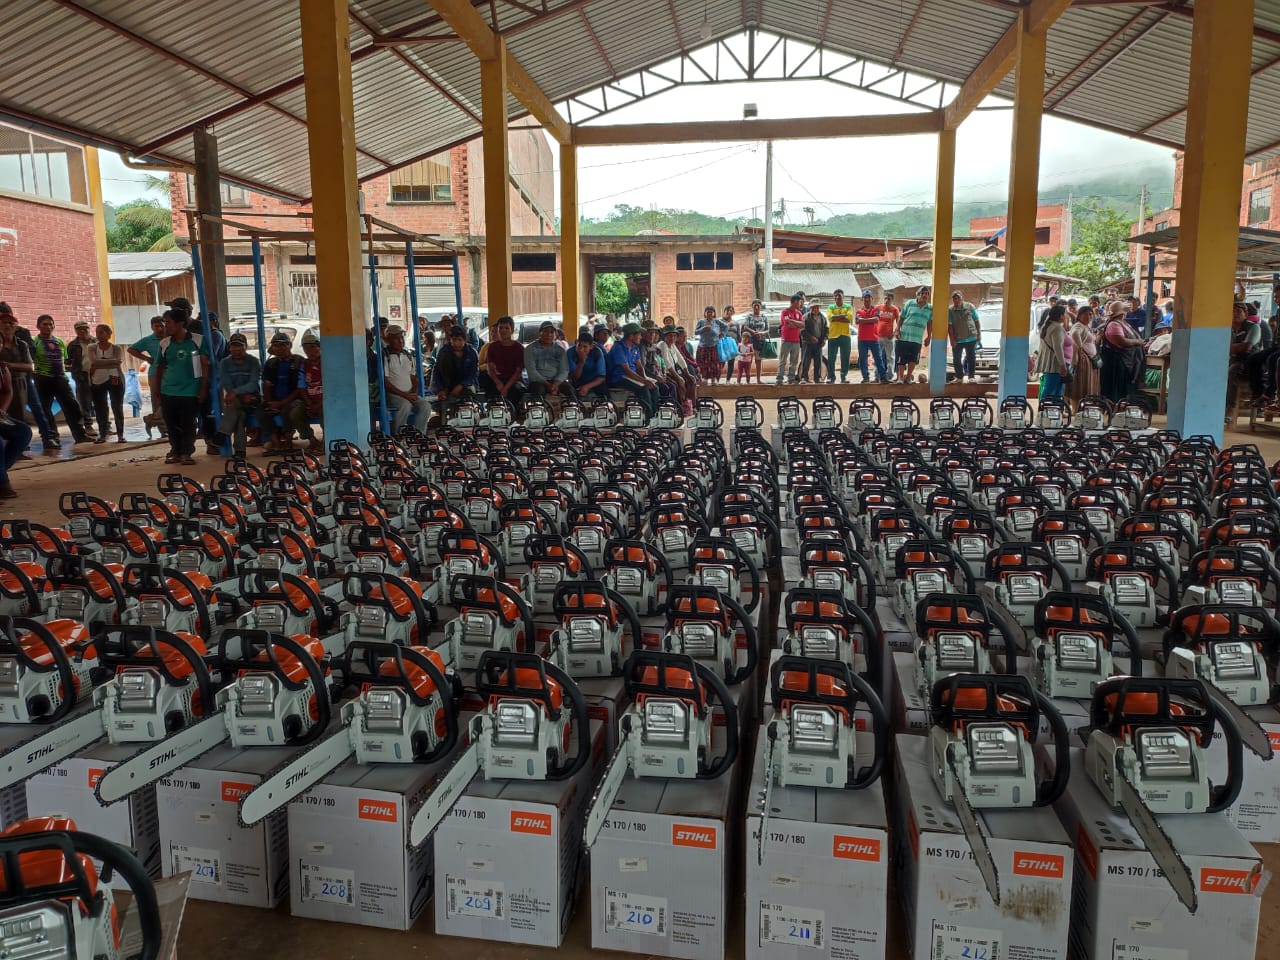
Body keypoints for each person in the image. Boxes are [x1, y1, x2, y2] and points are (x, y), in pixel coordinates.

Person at [154, 307, 209, 465]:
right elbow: (159, 367)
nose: (166, 326)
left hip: (190, 391)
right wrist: (157, 389)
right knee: (171, 424)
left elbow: (204, 366)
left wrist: (202, 388)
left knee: (188, 423)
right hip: (168, 390)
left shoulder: (198, 340)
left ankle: (186, 453)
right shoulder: (164, 343)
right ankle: (176, 451)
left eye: (169, 323)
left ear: (180, 324)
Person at [31, 315, 91, 445]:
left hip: (60, 379)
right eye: (44, 324)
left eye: (50, 324)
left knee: (73, 407)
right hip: (43, 379)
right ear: (38, 326)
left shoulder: (59, 341)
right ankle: (52, 438)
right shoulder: (34, 342)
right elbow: (30, 360)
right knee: (45, 410)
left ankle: (80, 435)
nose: (48, 327)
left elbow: (65, 360)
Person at [379, 324, 431, 434]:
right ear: (388, 340)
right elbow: (386, 382)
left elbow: (413, 377)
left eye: (401, 337)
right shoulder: (385, 356)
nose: (400, 341)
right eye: (396, 338)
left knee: (425, 406)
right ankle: (399, 436)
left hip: (408, 393)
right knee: (405, 405)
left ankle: (418, 435)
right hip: (394, 395)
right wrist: (404, 396)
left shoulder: (408, 355)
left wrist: (413, 393)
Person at [218, 332, 262, 457]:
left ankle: (223, 433)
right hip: (236, 400)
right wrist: (237, 395)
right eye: (233, 346)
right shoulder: (225, 363)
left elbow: (253, 384)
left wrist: (236, 393)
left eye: (239, 346)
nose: (236, 350)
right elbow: (227, 383)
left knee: (234, 405)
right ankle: (240, 451)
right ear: (229, 348)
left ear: (245, 347)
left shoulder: (253, 361)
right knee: (240, 415)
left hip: (252, 399)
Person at [85, 324, 127, 444]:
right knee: (100, 408)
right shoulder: (92, 347)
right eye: (97, 332)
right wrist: (111, 362)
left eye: (102, 332)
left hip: (114, 378)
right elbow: (94, 361)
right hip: (97, 380)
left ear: (109, 334)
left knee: (117, 406)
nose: (99, 335)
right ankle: (102, 434)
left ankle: (120, 435)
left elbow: (117, 363)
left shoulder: (116, 348)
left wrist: (100, 363)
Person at [129, 315, 168, 439]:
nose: (160, 328)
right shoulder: (148, 340)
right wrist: (146, 358)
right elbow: (131, 349)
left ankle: (152, 420)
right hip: (155, 373)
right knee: (157, 400)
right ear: (152, 327)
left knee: (170, 399)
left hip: (171, 372)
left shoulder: (170, 337)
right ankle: (163, 430)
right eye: (157, 326)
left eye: (162, 325)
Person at [429, 326, 480, 421]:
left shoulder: (472, 352)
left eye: (460, 340)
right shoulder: (444, 352)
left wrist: (461, 385)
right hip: (447, 386)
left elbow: (473, 375)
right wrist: (440, 389)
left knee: (468, 393)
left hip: (467, 385)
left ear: (465, 340)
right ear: (450, 339)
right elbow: (436, 372)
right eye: (454, 339)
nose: (456, 343)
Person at [607, 322, 658, 417]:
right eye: (639, 335)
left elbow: (639, 366)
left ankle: (655, 414)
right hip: (619, 378)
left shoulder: (635, 347)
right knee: (644, 389)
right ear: (631, 336)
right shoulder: (618, 347)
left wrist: (645, 378)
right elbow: (626, 370)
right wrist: (644, 381)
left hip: (631, 376)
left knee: (655, 387)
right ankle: (648, 417)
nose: (641, 337)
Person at [1098, 301, 1145, 404]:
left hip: (1125, 361)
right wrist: (1138, 341)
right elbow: (1121, 341)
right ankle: (1115, 409)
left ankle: (1122, 407)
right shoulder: (1114, 325)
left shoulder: (1123, 323)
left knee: (1124, 387)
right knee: (1116, 388)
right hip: (1117, 362)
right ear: (1122, 313)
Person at [0, 359, 32, 498]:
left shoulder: (2, 368)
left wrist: (2, 410)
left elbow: (8, 391)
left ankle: (0, 474)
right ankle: (2, 483)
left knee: (23, 432)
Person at [525, 321, 571, 402]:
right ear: (540, 333)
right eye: (545, 331)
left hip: (556, 381)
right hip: (538, 382)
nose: (549, 335)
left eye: (551, 332)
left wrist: (555, 384)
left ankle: (573, 413)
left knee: (570, 390)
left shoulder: (560, 349)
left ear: (555, 335)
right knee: (538, 391)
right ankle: (538, 414)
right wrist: (548, 385)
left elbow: (564, 370)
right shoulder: (530, 349)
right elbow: (531, 372)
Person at [895, 286, 931, 384]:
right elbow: (901, 318)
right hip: (904, 337)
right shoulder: (909, 303)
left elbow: (929, 323)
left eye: (926, 293)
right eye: (922, 293)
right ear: (917, 294)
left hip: (917, 339)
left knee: (913, 360)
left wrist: (929, 336)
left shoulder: (930, 308)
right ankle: (901, 378)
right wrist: (897, 330)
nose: (924, 295)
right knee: (901, 359)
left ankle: (908, 378)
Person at [659, 325, 699, 412]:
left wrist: (688, 374)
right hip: (666, 373)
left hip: (675, 370)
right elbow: (667, 362)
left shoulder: (673, 345)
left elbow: (681, 359)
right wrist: (678, 377)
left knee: (691, 380)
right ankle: (681, 406)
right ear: (664, 336)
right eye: (670, 335)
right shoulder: (662, 345)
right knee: (679, 382)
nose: (672, 338)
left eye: (674, 336)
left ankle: (692, 405)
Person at [1067, 305, 1100, 405]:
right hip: (1083, 360)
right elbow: (1075, 333)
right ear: (1080, 315)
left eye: (1090, 314)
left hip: (1091, 359)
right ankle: (1076, 409)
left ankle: (1082, 407)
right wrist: (1080, 347)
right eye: (1086, 314)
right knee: (1080, 385)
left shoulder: (1086, 327)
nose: (1089, 316)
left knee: (1087, 386)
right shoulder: (1078, 326)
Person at [1036, 304, 1069, 399]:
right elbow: (1058, 348)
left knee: (1055, 388)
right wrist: (1062, 365)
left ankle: (1052, 410)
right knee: (1051, 389)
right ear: (1061, 316)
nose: (1066, 316)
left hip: (1048, 362)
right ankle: (1044, 409)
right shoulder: (1057, 328)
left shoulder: (1047, 326)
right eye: (1065, 314)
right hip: (1054, 364)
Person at [947, 292, 981, 383]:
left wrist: (978, 334)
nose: (956, 300)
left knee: (971, 357)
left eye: (958, 298)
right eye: (954, 298)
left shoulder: (970, 306)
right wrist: (952, 339)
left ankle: (971, 377)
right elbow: (949, 326)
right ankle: (959, 377)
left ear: (962, 298)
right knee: (956, 358)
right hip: (958, 338)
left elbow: (976, 321)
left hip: (971, 337)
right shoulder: (950, 310)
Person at [566, 329, 608, 399]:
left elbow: (601, 377)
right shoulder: (570, 352)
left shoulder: (597, 353)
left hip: (594, 381)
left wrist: (587, 387)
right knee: (572, 394)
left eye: (585, 347)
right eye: (579, 346)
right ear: (576, 343)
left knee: (604, 395)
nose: (581, 349)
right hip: (578, 380)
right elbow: (575, 377)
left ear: (591, 346)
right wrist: (581, 362)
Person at [855, 290, 884, 384]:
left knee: (878, 358)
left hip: (874, 338)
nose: (867, 299)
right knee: (863, 360)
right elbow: (858, 321)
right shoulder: (858, 310)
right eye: (865, 298)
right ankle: (866, 378)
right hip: (862, 339)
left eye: (868, 297)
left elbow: (876, 320)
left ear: (872, 298)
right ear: (862, 299)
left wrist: (864, 320)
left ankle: (883, 378)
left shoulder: (876, 309)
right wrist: (870, 320)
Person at [299, 331, 324, 442]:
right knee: (295, 413)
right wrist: (309, 404)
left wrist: (318, 404)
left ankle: (326, 441)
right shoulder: (304, 365)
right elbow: (301, 387)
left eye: (313, 347)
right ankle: (312, 441)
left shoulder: (326, 362)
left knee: (326, 411)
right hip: (310, 401)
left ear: (319, 347)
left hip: (324, 400)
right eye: (306, 348)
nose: (310, 351)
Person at [777, 292, 805, 385]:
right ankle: (779, 379)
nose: (800, 304)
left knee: (794, 361)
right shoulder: (785, 312)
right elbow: (787, 323)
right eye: (799, 302)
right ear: (794, 302)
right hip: (786, 340)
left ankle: (791, 378)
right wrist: (797, 324)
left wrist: (793, 322)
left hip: (796, 340)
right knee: (783, 360)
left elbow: (802, 325)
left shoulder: (799, 313)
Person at [825, 290, 853, 384]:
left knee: (845, 357)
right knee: (831, 358)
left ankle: (843, 377)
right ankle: (831, 377)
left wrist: (836, 317)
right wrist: (842, 316)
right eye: (835, 296)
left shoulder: (848, 306)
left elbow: (848, 319)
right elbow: (830, 318)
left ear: (843, 296)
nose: (837, 297)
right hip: (832, 336)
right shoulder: (830, 307)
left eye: (839, 296)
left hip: (845, 335)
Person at [694, 306, 727, 382]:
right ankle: (705, 378)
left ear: (714, 313)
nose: (709, 313)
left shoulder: (716, 321)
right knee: (704, 364)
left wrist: (722, 334)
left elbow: (726, 327)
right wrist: (703, 329)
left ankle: (713, 379)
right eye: (707, 312)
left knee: (714, 364)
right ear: (705, 313)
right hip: (703, 347)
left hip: (714, 347)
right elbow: (696, 332)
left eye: (711, 312)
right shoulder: (701, 322)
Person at [67, 320, 93, 411]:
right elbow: (68, 361)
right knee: (83, 401)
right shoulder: (72, 345)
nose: (82, 331)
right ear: (75, 331)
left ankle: (104, 423)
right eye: (79, 329)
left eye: (85, 328)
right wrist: (76, 374)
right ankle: (87, 423)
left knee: (100, 400)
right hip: (82, 375)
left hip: (98, 374)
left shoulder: (97, 342)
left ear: (89, 329)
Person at [742, 300, 770, 383]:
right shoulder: (749, 316)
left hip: (760, 341)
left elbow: (768, 329)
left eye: (758, 305)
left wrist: (761, 333)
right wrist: (754, 332)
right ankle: (748, 380)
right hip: (750, 341)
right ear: (752, 307)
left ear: (760, 307)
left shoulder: (764, 317)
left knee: (758, 360)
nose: (756, 307)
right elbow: (745, 327)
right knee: (748, 361)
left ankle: (758, 379)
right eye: (755, 306)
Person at [800, 302, 828, 383]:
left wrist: (824, 339)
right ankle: (804, 378)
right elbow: (802, 330)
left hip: (818, 343)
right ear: (810, 308)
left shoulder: (822, 317)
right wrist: (811, 337)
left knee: (818, 361)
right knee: (806, 361)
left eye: (817, 307)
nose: (815, 309)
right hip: (808, 343)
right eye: (813, 307)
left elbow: (826, 330)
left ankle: (817, 378)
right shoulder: (805, 317)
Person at [877, 293, 899, 384]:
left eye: (889, 299)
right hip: (878, 337)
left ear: (892, 300)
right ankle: (877, 376)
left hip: (889, 338)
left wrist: (894, 334)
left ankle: (889, 376)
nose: (886, 300)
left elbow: (899, 323)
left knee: (890, 357)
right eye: (885, 298)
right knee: (877, 357)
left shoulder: (895, 309)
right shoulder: (878, 307)